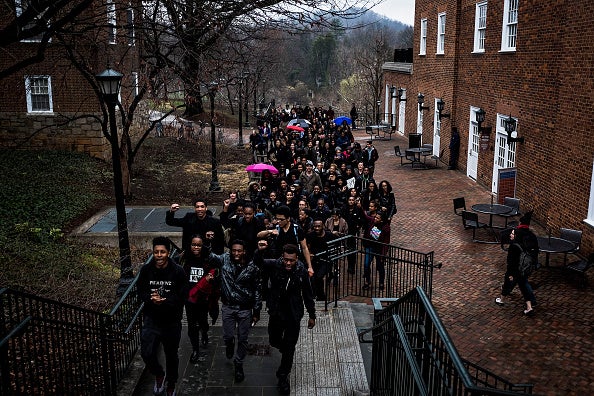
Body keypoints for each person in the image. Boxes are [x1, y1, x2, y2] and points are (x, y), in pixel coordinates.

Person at [254, 244, 316, 395]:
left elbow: (308, 294)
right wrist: (259, 251)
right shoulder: (274, 265)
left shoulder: (301, 271)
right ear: (282, 257)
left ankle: (283, 376)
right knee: (274, 340)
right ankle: (284, 348)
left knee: (290, 348)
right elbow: (258, 262)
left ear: (297, 259)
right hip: (276, 312)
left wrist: (312, 315)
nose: (288, 263)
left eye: (292, 261)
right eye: (286, 260)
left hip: (293, 315)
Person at [137, 237, 187, 396]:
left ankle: (171, 383)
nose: (159, 255)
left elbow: (183, 295)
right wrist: (151, 300)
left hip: (171, 321)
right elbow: (141, 291)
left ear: (168, 253)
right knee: (146, 352)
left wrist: (164, 302)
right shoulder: (146, 270)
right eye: (156, 252)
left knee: (171, 355)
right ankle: (159, 373)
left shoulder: (178, 271)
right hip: (152, 319)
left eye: (162, 252)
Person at [219, 239, 262, 382]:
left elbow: (257, 290)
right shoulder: (224, 261)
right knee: (228, 335)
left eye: (239, 250)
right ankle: (229, 345)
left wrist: (256, 311)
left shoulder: (252, 268)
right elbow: (209, 256)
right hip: (228, 306)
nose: (236, 253)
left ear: (244, 251)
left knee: (243, 339)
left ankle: (239, 364)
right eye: (234, 250)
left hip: (244, 309)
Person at [181, 235, 222, 364]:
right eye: (194, 244)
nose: (196, 247)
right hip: (190, 299)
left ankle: (204, 332)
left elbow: (217, 274)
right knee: (192, 326)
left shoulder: (208, 260)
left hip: (203, 299)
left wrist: (211, 278)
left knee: (203, 322)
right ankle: (195, 350)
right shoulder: (185, 259)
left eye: (199, 245)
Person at [495, 211, 539, 316]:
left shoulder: (514, 245)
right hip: (527, 267)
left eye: (512, 233)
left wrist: (510, 273)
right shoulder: (532, 236)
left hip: (516, 269)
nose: (511, 234)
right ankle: (529, 307)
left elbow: (511, 261)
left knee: (508, 282)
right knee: (523, 284)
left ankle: (501, 300)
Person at [257, 205, 314, 277]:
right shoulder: (276, 227)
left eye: (281, 219)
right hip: (279, 262)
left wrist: (310, 266)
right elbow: (259, 235)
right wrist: (270, 231)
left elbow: (304, 247)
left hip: (293, 262)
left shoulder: (296, 229)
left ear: (288, 219)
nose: (278, 221)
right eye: (277, 219)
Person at [306, 218, 337, 300]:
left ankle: (321, 296)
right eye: (315, 226)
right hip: (315, 260)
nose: (316, 228)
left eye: (318, 226)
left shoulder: (329, 235)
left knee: (319, 277)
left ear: (323, 226)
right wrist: (309, 253)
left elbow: (336, 245)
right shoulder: (311, 235)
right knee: (314, 277)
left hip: (326, 260)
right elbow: (307, 247)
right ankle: (319, 295)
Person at [362, 211, 391, 291]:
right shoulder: (372, 221)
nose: (375, 218)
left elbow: (386, 242)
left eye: (377, 218)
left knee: (380, 266)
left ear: (381, 220)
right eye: (375, 217)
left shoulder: (386, 228)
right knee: (366, 264)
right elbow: (366, 217)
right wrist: (360, 207)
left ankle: (381, 283)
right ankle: (367, 281)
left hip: (379, 249)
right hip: (370, 247)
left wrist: (383, 254)